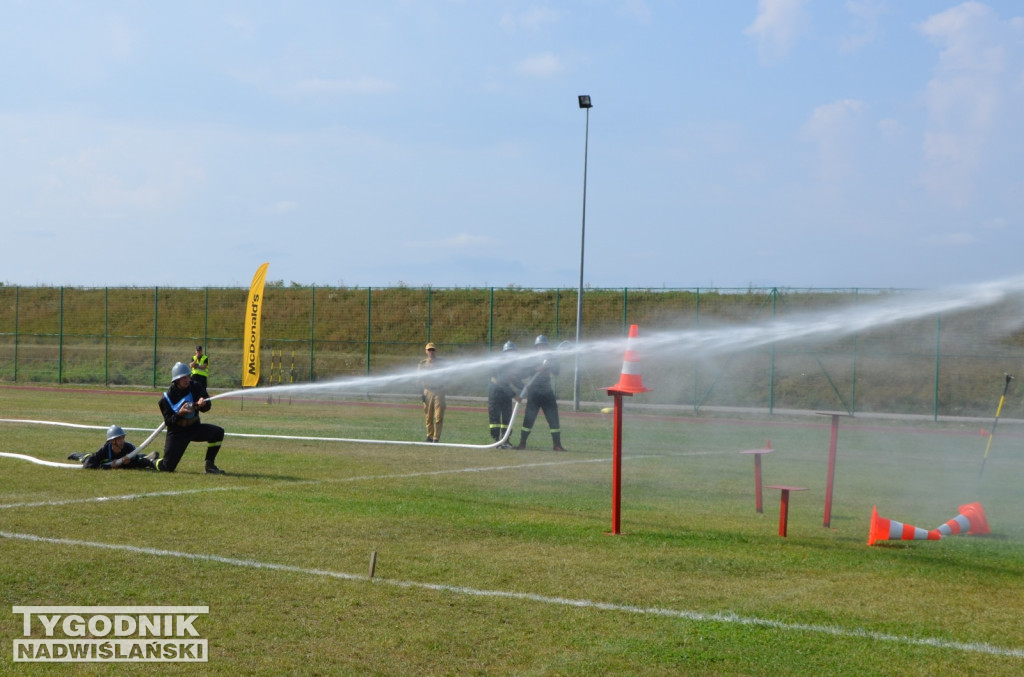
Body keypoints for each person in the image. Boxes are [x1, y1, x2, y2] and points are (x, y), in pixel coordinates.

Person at [156, 361, 226, 473]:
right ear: (176, 380)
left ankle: (210, 466)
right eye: (184, 378)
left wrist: (204, 404)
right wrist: (180, 414)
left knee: (217, 432)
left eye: (188, 376)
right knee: (167, 467)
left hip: (194, 428)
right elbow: (169, 422)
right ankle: (150, 460)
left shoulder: (195, 387)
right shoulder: (167, 398)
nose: (187, 380)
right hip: (177, 433)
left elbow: (207, 407)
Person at [516, 335, 566, 451]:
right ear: (536, 347)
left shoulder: (551, 359)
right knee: (529, 419)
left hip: (547, 391)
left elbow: (557, 372)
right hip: (534, 392)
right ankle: (522, 443)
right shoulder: (532, 358)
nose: (541, 348)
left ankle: (557, 445)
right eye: (539, 346)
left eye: (543, 346)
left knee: (553, 419)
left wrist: (551, 365)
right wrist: (535, 369)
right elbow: (523, 373)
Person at [67, 425, 159, 470]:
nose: (122, 441)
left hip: (125, 460)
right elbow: (88, 464)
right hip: (104, 461)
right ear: (111, 441)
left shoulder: (129, 447)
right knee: (86, 458)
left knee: (138, 460)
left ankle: (146, 457)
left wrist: (129, 463)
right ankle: (76, 455)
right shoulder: (104, 449)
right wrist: (109, 466)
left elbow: (135, 464)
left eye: (123, 438)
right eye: (118, 439)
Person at [488, 341, 523, 448]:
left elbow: (514, 380)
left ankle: (506, 440)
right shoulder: (500, 363)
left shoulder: (512, 365)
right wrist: (514, 395)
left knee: (507, 417)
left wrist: (524, 387)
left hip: (506, 393)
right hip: (496, 392)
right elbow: (502, 383)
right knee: (495, 418)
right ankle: (496, 440)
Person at [418, 342, 446, 443]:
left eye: (433, 350)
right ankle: (429, 436)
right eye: (429, 350)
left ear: (435, 351)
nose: (431, 352)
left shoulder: (442, 363)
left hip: (439, 390)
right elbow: (419, 379)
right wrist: (422, 393)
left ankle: (436, 438)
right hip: (428, 391)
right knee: (428, 416)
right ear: (426, 351)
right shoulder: (422, 364)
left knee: (438, 416)